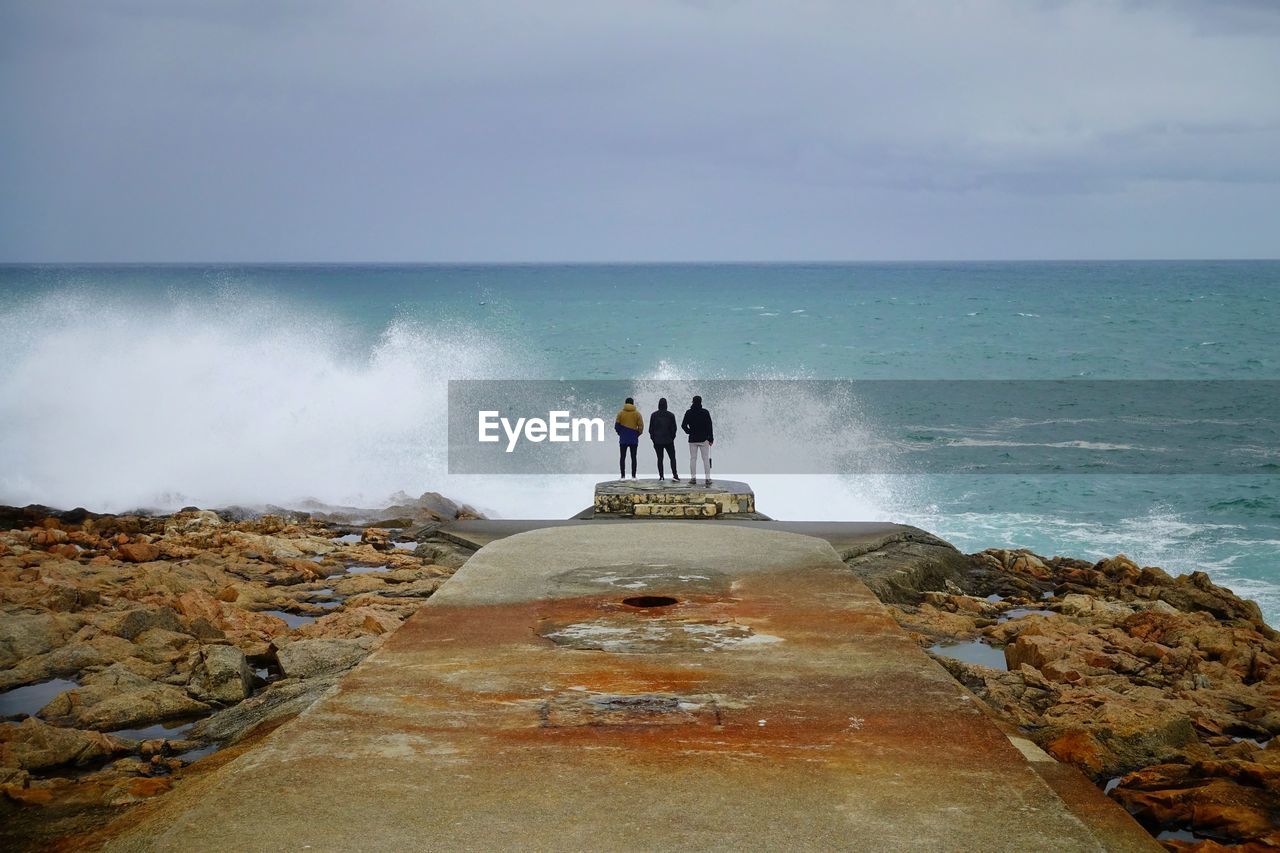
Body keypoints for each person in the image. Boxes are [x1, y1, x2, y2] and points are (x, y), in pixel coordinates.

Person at [681, 395, 714, 485]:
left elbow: (683, 425)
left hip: (692, 439)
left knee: (693, 459)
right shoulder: (705, 412)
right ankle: (707, 479)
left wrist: (689, 431)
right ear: (701, 402)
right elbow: (709, 426)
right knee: (705, 459)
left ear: (692, 402)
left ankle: (693, 478)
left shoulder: (689, 412)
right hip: (704, 439)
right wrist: (711, 438)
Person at [648, 397, 679, 482]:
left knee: (660, 458)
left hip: (657, 441)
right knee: (672, 458)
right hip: (669, 440)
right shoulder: (671, 415)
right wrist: (672, 437)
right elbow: (674, 428)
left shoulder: (654, 415)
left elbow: (651, 429)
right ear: (666, 405)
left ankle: (661, 476)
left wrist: (653, 439)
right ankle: (675, 475)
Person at [614, 397, 643, 479]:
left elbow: (616, 426)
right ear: (633, 404)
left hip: (623, 439)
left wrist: (621, 433)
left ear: (625, 403)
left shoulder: (620, 413)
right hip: (633, 439)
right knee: (633, 457)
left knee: (622, 457)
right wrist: (637, 434)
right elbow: (641, 426)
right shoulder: (637, 414)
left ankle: (622, 476)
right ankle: (633, 476)